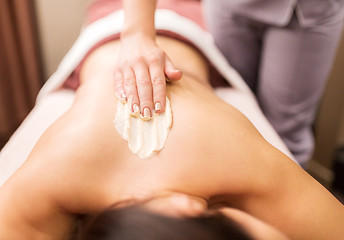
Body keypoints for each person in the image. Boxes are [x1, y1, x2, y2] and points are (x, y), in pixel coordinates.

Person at [0, 3, 344, 238]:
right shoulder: (56, 181)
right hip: (142, 37)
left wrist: (139, 33)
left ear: (186, 208)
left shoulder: (233, 160)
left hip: (129, 30)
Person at [116, 0, 344, 166]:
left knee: (285, 136)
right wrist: (138, 34)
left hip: (306, 10)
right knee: (233, 111)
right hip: (228, 7)